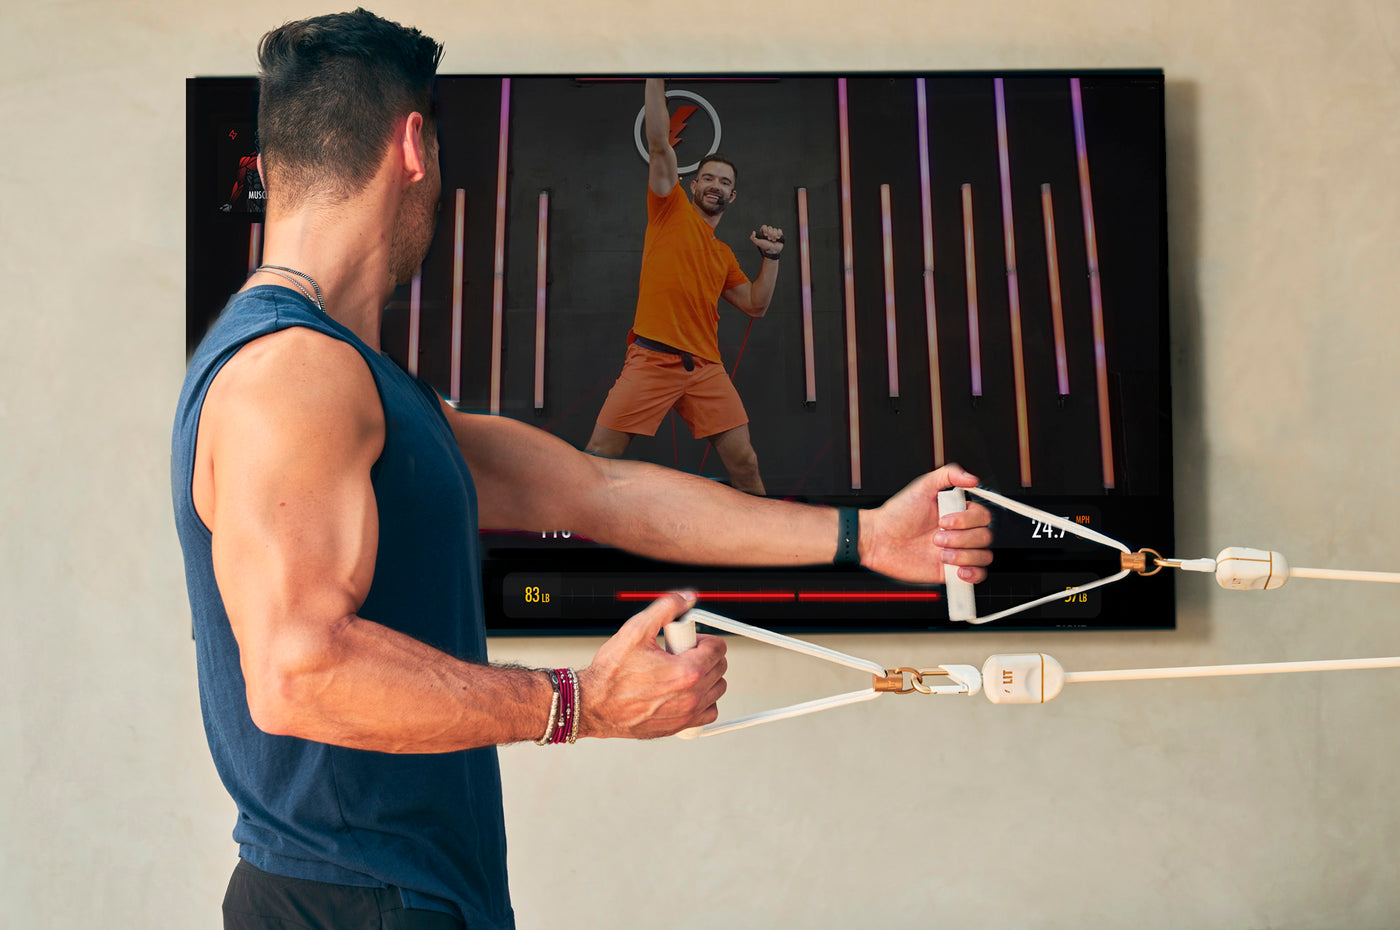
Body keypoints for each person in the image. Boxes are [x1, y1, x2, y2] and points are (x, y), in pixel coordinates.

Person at [171, 11, 993, 930]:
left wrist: (867, 534)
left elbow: (598, 491)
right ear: (414, 146)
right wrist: (579, 705)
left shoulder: (353, 381)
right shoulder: (293, 376)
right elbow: (298, 672)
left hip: (406, 896)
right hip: (350, 903)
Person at [586, 78, 781, 494]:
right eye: (708, 178)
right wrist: (654, 72)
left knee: (745, 462)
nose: (716, 185)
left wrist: (772, 257)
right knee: (598, 455)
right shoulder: (669, 208)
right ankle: (568, 544)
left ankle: (769, 552)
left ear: (733, 195)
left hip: (705, 370)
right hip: (652, 360)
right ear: (693, 185)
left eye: (725, 182)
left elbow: (756, 305)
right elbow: (660, 144)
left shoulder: (724, 255)